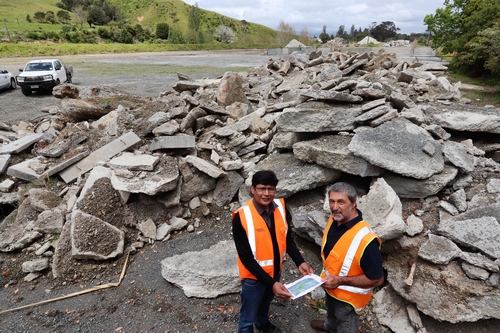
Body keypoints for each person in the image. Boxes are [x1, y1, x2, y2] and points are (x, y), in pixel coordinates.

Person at [232, 170, 314, 333]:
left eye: (270, 189)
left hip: (275, 273)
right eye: (262, 188)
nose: (266, 193)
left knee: (264, 305)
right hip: (253, 279)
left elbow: (287, 238)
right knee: (247, 318)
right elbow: (246, 258)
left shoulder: (280, 208)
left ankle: (262, 324)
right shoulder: (241, 217)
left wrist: (300, 261)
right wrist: (272, 284)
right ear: (253, 189)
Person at [311, 182, 384, 333]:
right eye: (332, 201)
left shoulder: (366, 240)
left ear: (354, 203)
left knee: (345, 323)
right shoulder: (334, 219)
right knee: (331, 312)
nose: (334, 207)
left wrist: (341, 280)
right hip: (330, 286)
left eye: (341, 202)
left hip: (348, 299)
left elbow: (377, 279)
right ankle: (330, 326)